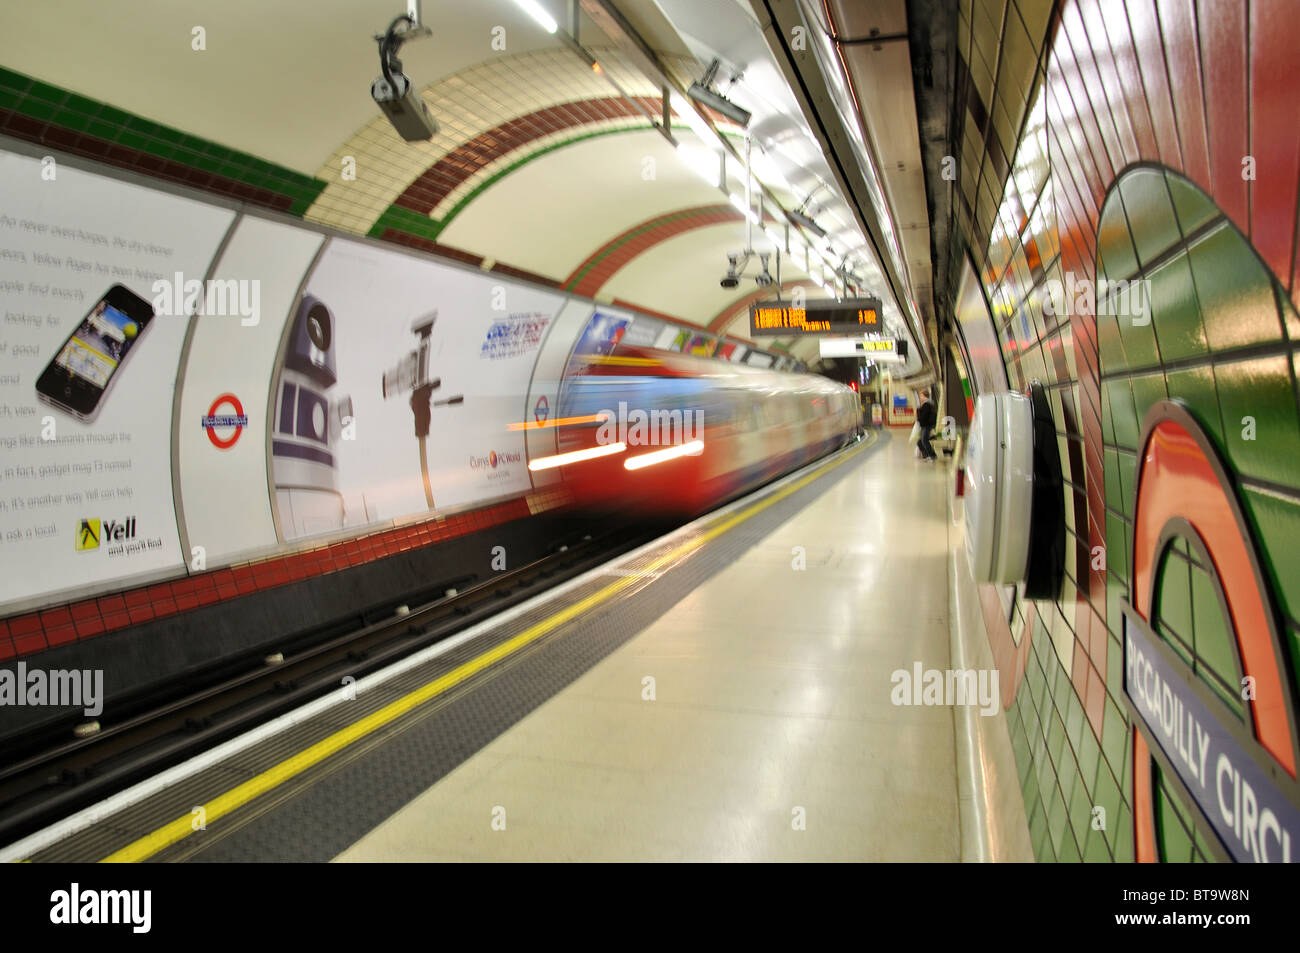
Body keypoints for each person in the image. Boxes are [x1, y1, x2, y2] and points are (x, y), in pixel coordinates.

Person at [916, 389, 937, 462]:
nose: (920, 397)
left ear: (924, 396)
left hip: (926, 425)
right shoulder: (929, 404)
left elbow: (924, 416)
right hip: (927, 424)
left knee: (924, 440)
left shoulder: (926, 404)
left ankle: (932, 455)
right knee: (922, 441)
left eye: (921, 395)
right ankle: (928, 455)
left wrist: (919, 412)